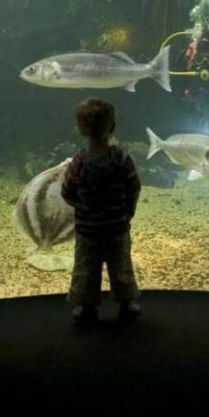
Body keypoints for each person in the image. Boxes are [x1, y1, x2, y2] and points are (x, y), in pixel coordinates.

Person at [61, 97, 142, 325]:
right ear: (113, 127)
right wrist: (129, 210)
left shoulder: (79, 161)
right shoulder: (121, 158)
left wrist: (82, 208)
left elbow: (67, 191)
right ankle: (127, 305)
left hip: (87, 231)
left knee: (85, 270)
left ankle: (87, 308)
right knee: (121, 267)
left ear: (81, 130)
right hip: (117, 227)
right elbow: (134, 186)